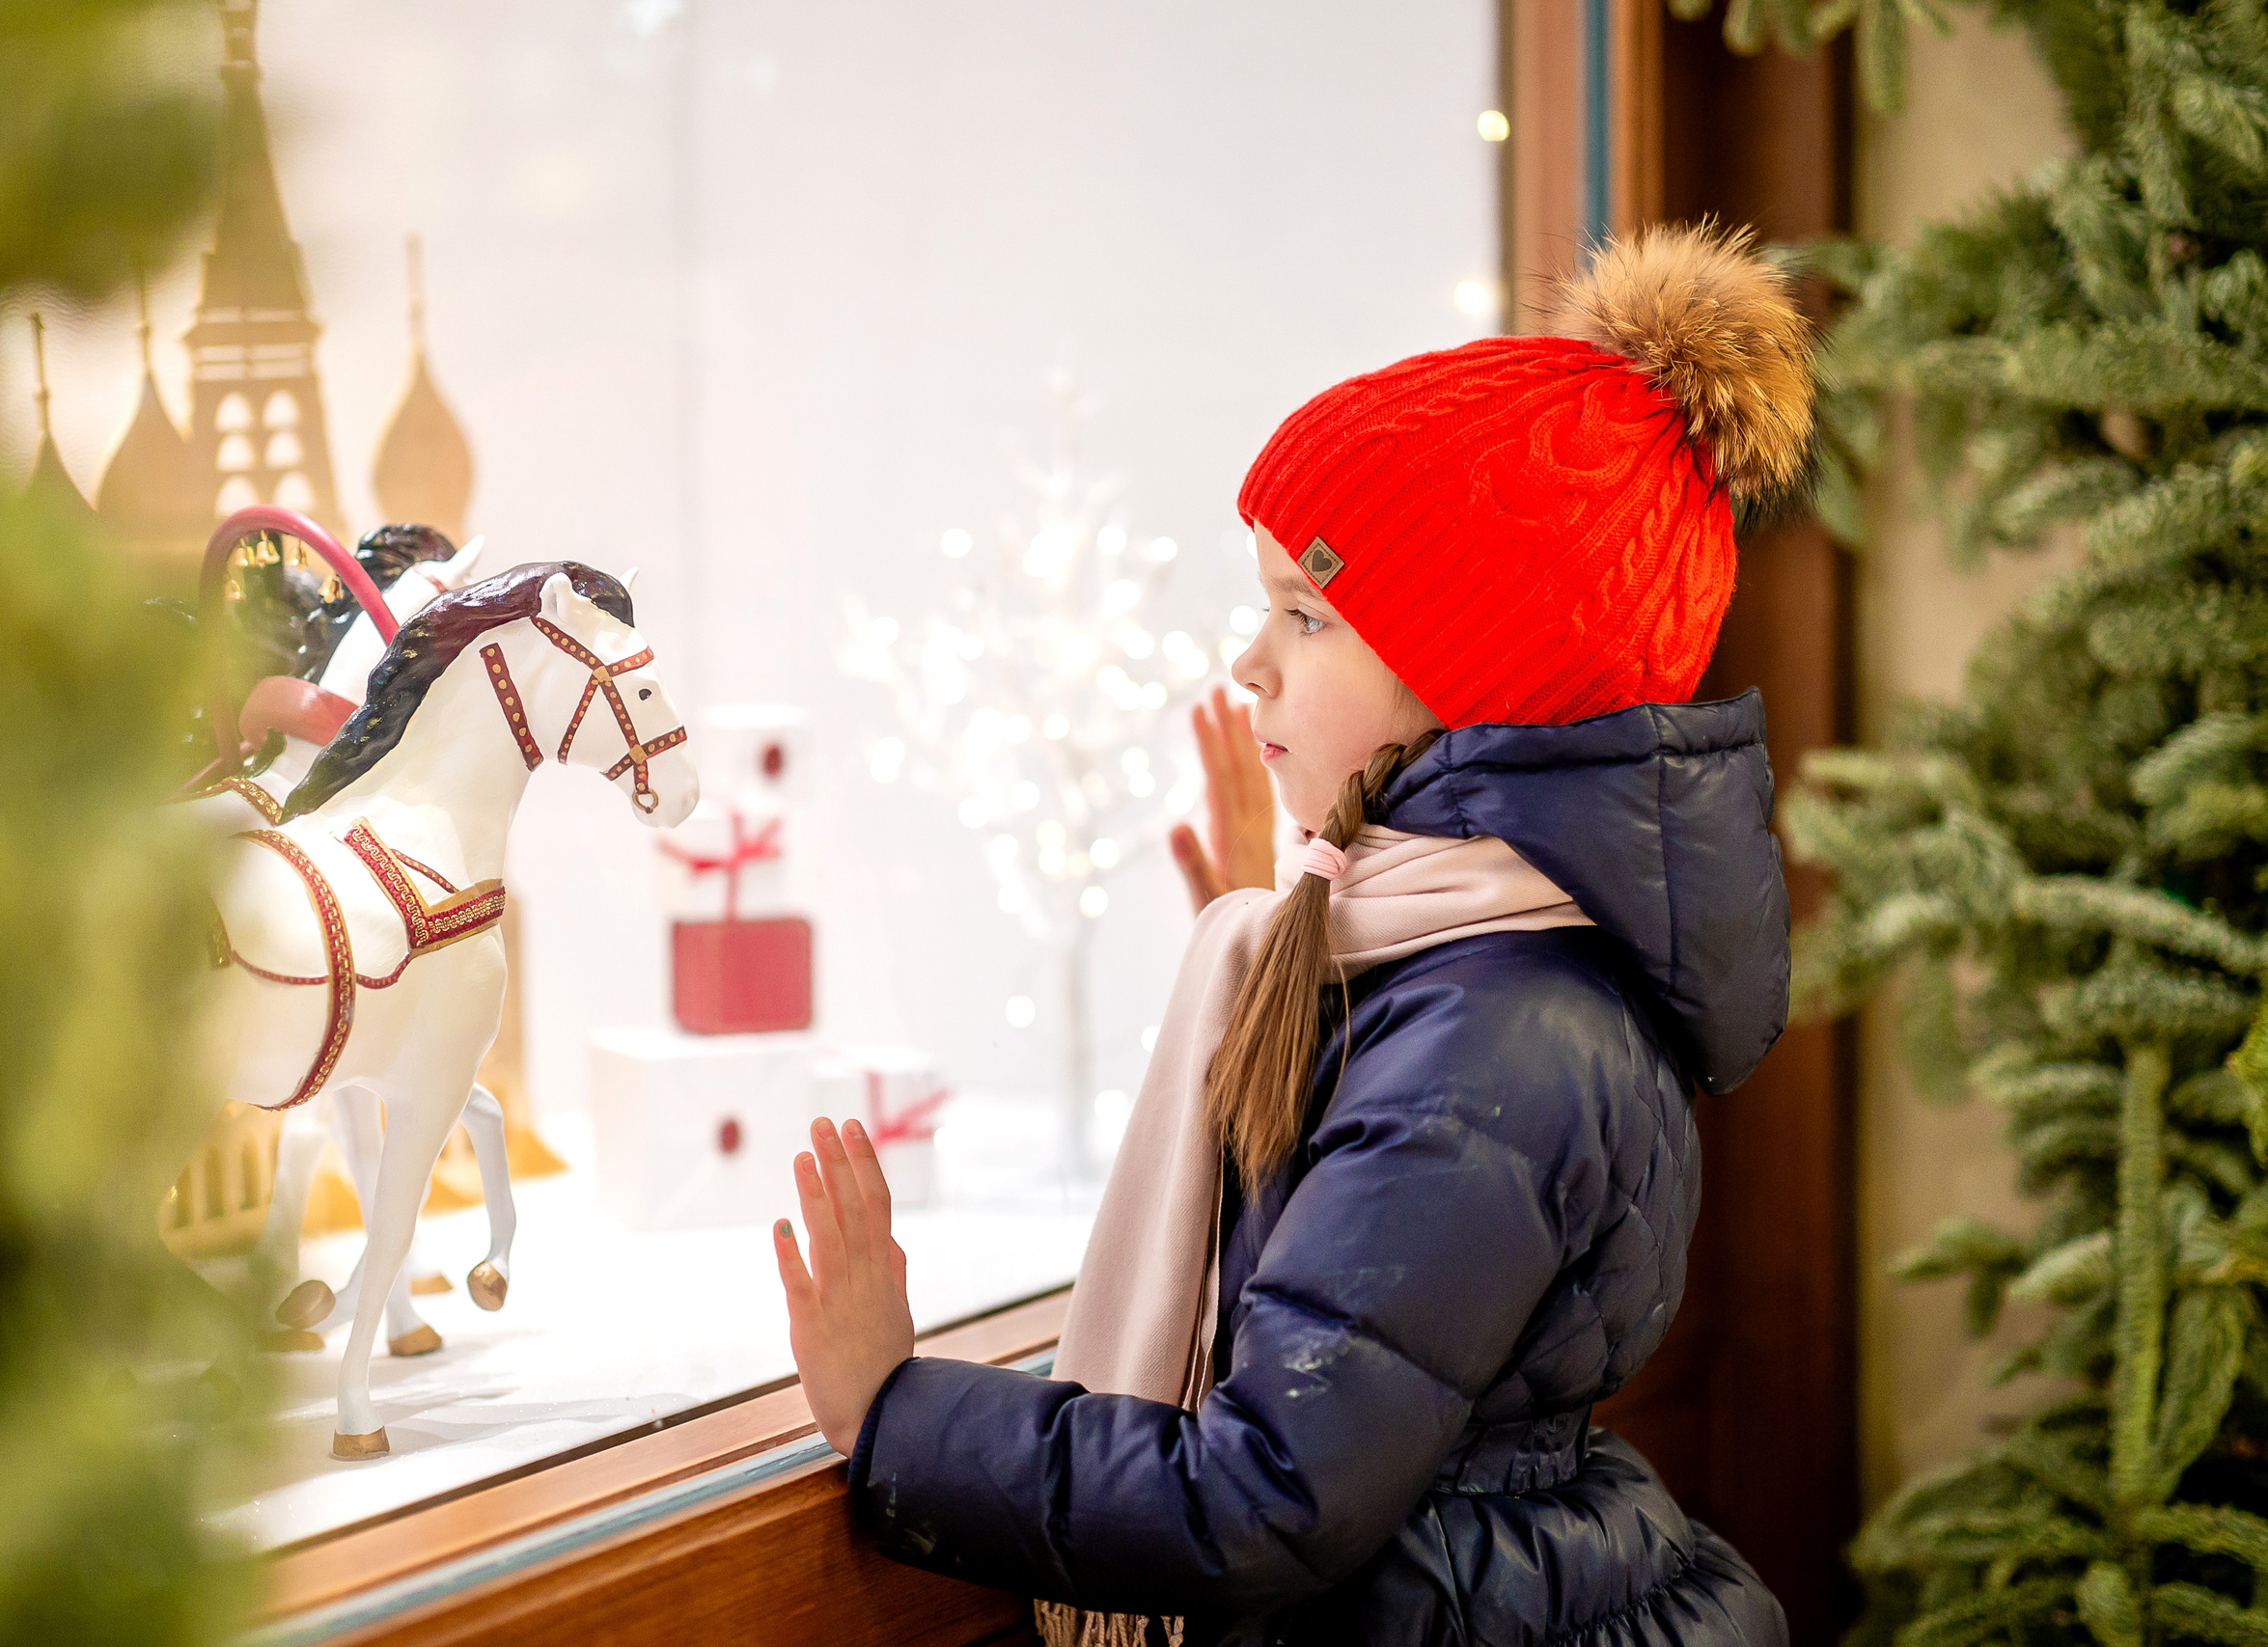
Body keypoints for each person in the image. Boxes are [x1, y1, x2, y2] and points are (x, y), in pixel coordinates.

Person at [772, 222, 1807, 1646]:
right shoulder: (1445, 967)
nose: (1249, 660)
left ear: (1471, 685)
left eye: (1306, 615)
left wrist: (897, 1412)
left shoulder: (1494, 1044)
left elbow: (1260, 1492)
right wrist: (1269, 959)